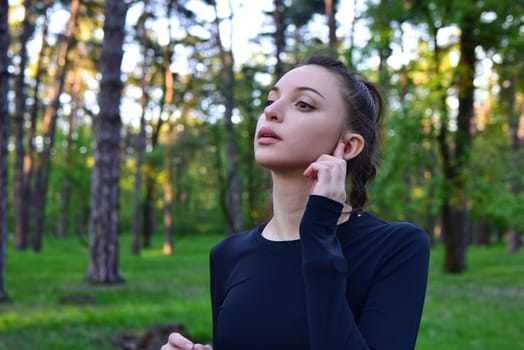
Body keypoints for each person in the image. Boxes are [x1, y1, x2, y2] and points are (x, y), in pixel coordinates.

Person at [162, 55, 430, 350]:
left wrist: (318, 232)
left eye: (303, 104)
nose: (272, 112)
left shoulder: (396, 247)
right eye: (269, 101)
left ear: (349, 145)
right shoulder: (227, 254)